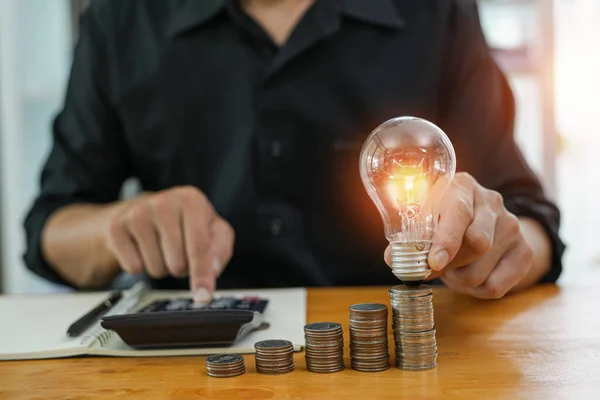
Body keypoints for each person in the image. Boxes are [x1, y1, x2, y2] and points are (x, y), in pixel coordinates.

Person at [23, 0, 564, 303]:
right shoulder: (121, 21)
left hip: (401, 360)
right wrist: (120, 226)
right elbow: (50, 229)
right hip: (189, 365)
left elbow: (529, 223)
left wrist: (497, 247)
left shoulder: (437, 13)